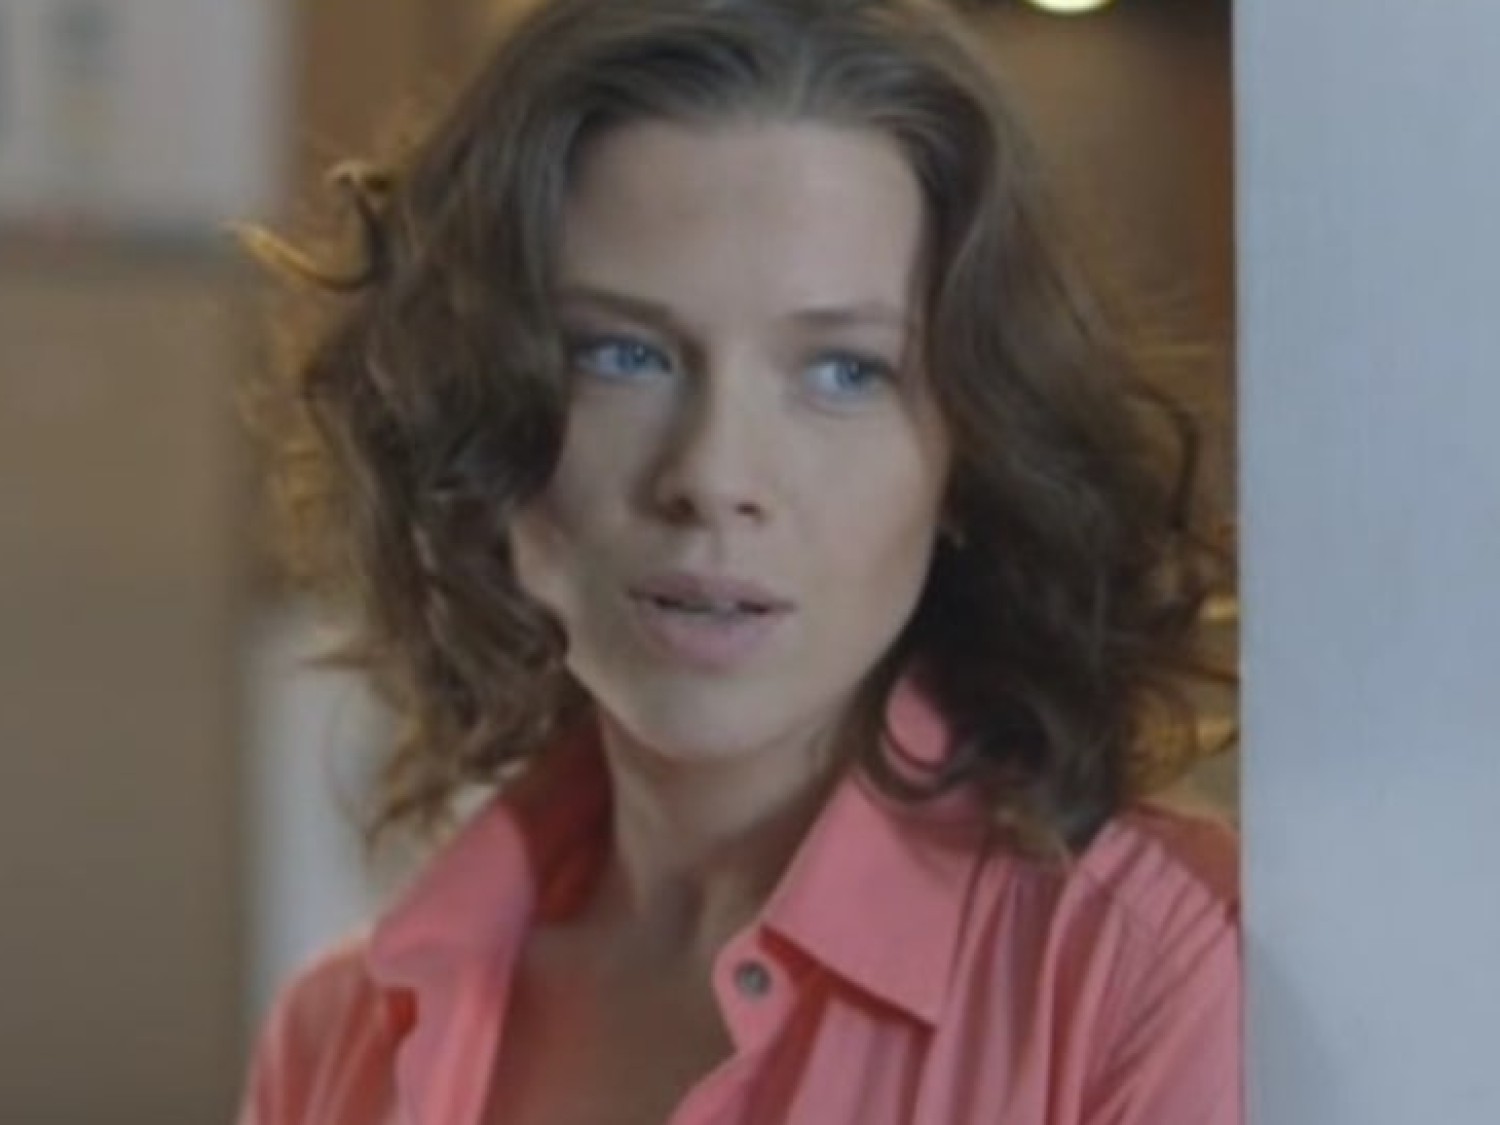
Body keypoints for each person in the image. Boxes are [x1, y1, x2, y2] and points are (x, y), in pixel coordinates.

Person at [237, 0, 1240, 1122]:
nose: (714, 475)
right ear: (478, 415)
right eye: (624, 355)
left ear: (971, 453)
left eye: (844, 371)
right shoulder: (340, 1037)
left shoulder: (1142, 973)